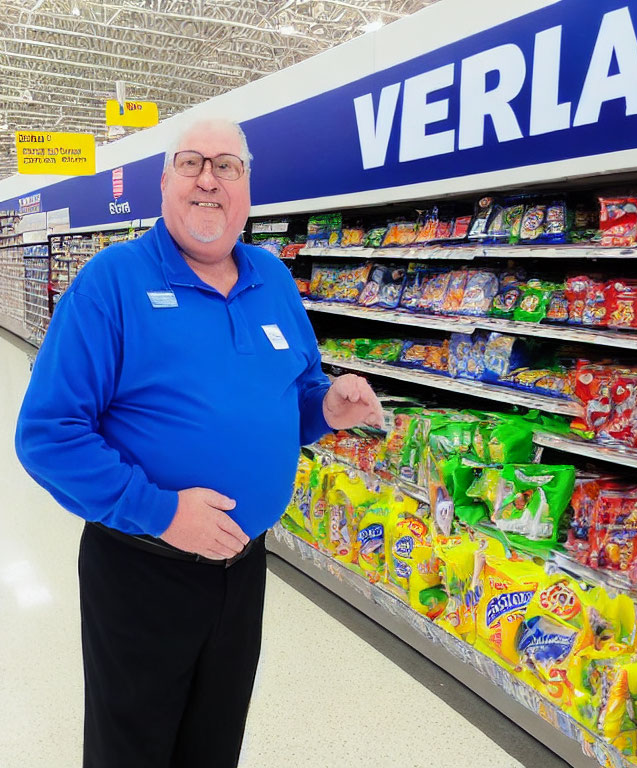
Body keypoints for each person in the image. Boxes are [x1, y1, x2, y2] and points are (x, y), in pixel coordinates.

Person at [15, 118, 383, 768]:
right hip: (141, 570)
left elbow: (292, 397)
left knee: (215, 741)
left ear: (247, 190)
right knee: (132, 749)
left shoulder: (272, 279)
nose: (209, 178)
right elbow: (47, 435)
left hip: (242, 570)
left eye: (227, 166)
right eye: (192, 163)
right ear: (164, 184)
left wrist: (326, 406)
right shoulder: (111, 284)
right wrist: (164, 512)